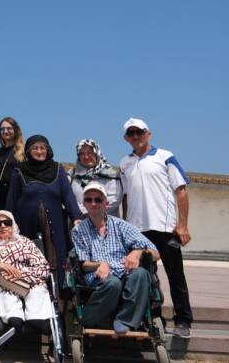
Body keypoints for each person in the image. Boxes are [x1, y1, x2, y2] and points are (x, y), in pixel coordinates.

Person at [120, 117, 193, 338]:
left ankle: (183, 321)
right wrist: (124, 226)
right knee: (142, 276)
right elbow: (124, 197)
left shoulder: (165, 156)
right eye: (131, 133)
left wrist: (182, 224)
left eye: (139, 132)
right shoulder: (124, 163)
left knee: (175, 275)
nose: (136, 137)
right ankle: (150, 318)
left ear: (148, 134)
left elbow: (181, 190)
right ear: (126, 138)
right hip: (137, 230)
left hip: (165, 228)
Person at [72, 181, 160, 334]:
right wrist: (102, 264)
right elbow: (84, 264)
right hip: (97, 275)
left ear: (106, 203)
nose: (93, 203)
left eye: (98, 200)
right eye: (89, 200)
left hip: (124, 271)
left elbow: (155, 252)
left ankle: (124, 320)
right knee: (112, 283)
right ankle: (89, 318)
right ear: (84, 204)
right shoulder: (78, 230)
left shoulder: (121, 225)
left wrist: (137, 252)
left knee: (140, 274)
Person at [6, 134, 82, 276]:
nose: (40, 151)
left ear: (48, 150)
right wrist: (8, 224)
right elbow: (12, 201)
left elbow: (68, 196)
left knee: (58, 260)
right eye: (35, 148)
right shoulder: (19, 171)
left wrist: (76, 216)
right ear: (28, 151)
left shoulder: (58, 169)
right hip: (27, 226)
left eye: (43, 148)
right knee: (29, 260)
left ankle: (59, 295)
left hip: (55, 225)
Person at [0, 209, 55, 333]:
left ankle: (36, 318)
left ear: (13, 224)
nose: (3, 226)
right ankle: (14, 317)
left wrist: (21, 274)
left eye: (7, 222)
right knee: (5, 288)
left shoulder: (24, 242)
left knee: (37, 289)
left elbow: (43, 267)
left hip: (26, 280)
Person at [71, 139, 122, 217]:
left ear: (97, 153)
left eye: (89, 153)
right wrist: (83, 212)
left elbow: (115, 198)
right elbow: (69, 197)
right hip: (80, 221)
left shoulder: (110, 174)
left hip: (106, 222)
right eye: (82, 154)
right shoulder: (72, 175)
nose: (86, 157)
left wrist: (92, 211)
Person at [0, 117, 24, 212]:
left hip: (19, 193)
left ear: (16, 130)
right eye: (2, 129)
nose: (5, 131)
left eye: (9, 128)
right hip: (2, 195)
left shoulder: (24, 151)